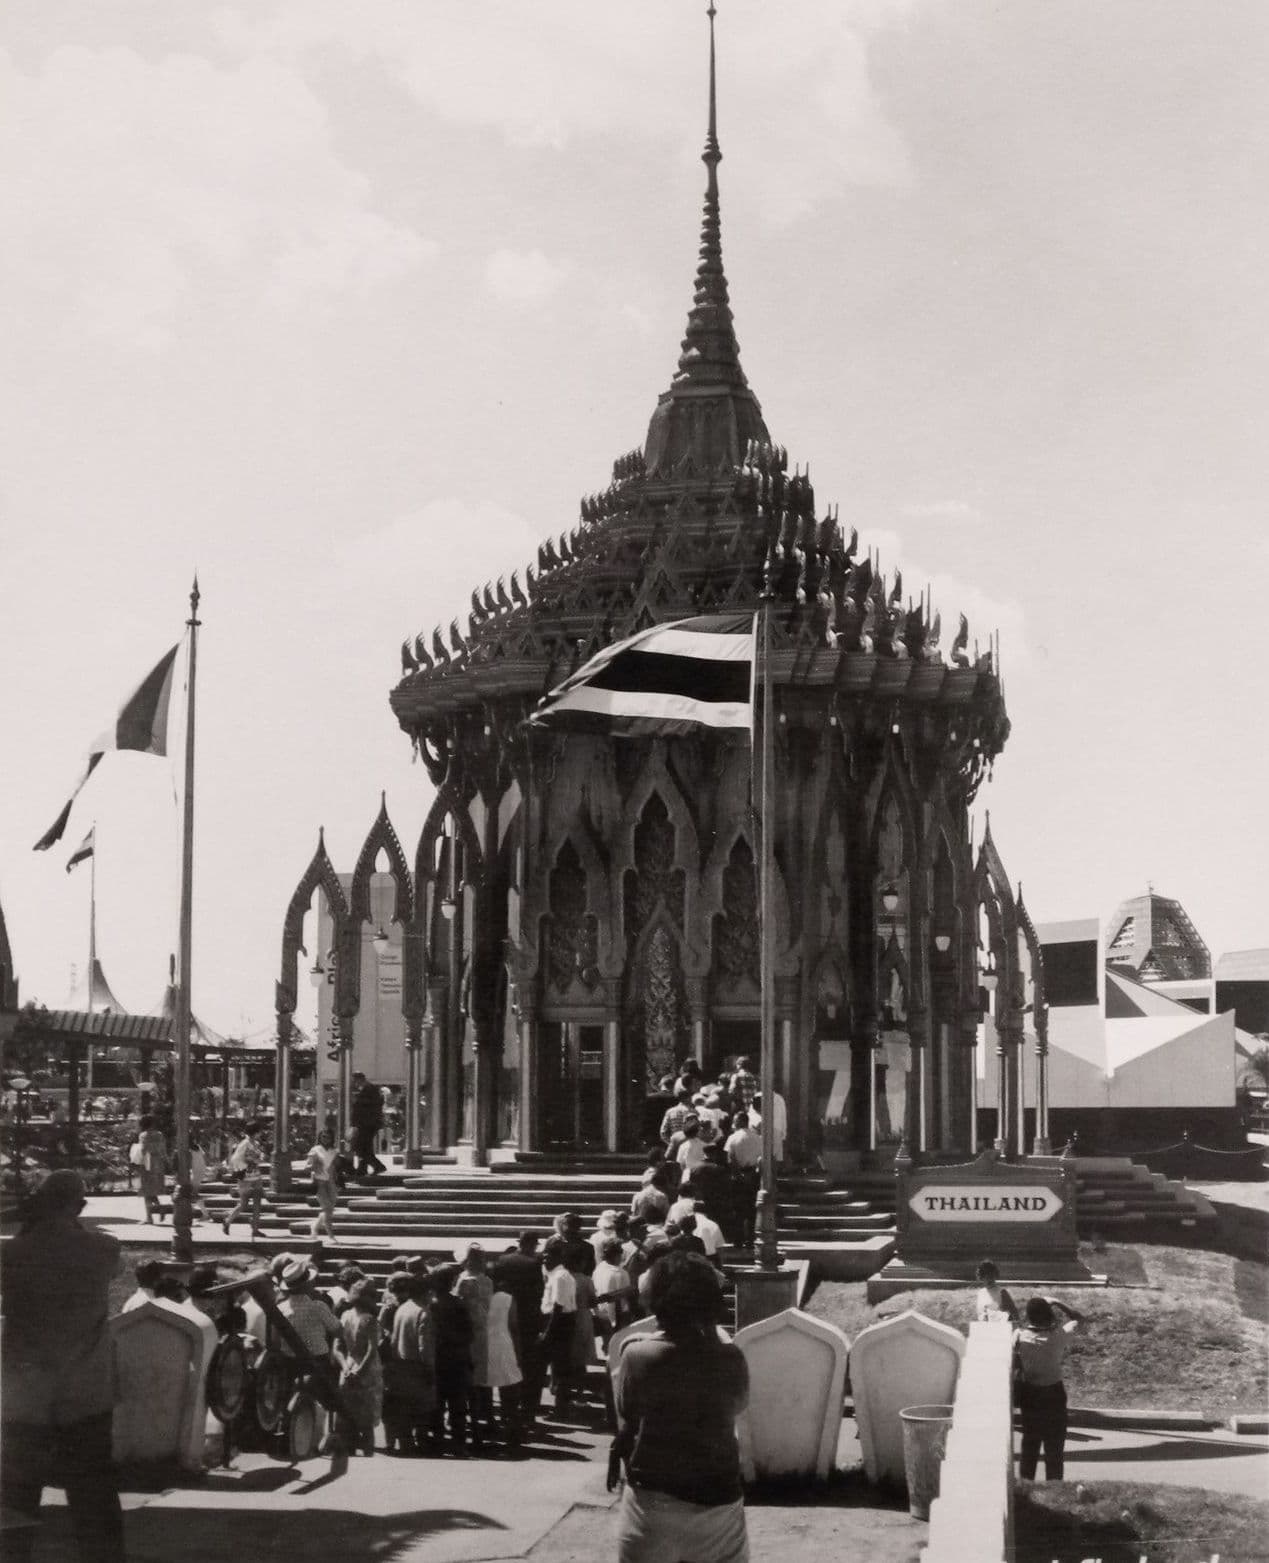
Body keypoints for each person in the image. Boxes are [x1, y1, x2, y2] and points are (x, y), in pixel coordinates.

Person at [0, 1170, 126, 1563]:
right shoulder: (103, 1249)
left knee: (17, 1495)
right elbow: (115, 1268)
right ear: (80, 1206)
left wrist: (28, 1225)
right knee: (93, 1495)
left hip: (25, 1397)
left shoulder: (11, 1252)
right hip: (85, 1394)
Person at [610, 1250, 749, 1563]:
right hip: (718, 1500)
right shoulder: (731, 1359)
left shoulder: (637, 1356)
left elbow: (628, 1412)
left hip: (653, 1502)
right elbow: (738, 1405)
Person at [1013, 1295, 1088, 1481]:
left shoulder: (1019, 1337)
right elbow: (1079, 1319)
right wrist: (1058, 1302)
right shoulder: (1057, 1338)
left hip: (1030, 1395)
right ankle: (1055, 1487)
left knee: (1029, 1445)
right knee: (1054, 1449)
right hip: (1053, 1394)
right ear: (1048, 1315)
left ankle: (1026, 1484)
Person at [494, 1233, 545, 1426]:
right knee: (529, 1367)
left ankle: (507, 1409)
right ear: (531, 1245)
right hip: (528, 1320)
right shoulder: (533, 1264)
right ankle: (526, 1411)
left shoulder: (503, 1260)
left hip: (505, 1316)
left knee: (506, 1363)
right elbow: (538, 1293)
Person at [334, 1279, 384, 1456]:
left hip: (347, 1365)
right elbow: (372, 1349)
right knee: (367, 1418)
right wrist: (360, 1371)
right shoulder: (370, 1320)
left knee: (349, 1414)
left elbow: (337, 1348)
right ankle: (368, 1452)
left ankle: (350, 1451)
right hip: (367, 1370)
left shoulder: (345, 1316)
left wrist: (346, 1369)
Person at [430, 1263, 475, 1454]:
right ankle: (459, 1442)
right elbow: (469, 1333)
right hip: (456, 1359)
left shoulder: (430, 1304)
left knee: (437, 1403)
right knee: (457, 1404)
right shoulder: (458, 1304)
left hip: (437, 1359)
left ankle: (438, 1441)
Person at [456, 1244, 495, 1449]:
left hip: (468, 1332)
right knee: (481, 1378)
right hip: (482, 1331)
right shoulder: (487, 1280)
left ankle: (474, 1418)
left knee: (468, 1378)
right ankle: (485, 1417)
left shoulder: (466, 1280)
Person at [539, 1238, 579, 1416]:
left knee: (560, 1365)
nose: (545, 1260)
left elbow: (558, 1306)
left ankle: (561, 1407)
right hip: (559, 1320)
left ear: (558, 1258)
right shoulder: (555, 1275)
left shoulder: (560, 1277)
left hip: (560, 1322)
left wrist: (548, 1332)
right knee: (558, 1366)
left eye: (548, 1257)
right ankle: (560, 1404)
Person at [484, 1270, 524, 1447]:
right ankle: (510, 1424)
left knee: (483, 1387)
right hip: (502, 1343)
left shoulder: (477, 1296)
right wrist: (519, 1351)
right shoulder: (507, 1298)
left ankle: (489, 1422)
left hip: (482, 1344)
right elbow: (513, 1326)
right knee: (508, 1387)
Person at [221, 1122, 266, 1238]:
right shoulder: (245, 1144)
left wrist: (259, 1158)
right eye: (259, 1131)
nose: (260, 1133)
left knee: (257, 1203)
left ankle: (255, 1229)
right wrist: (252, 1161)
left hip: (256, 1176)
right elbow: (239, 1159)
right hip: (246, 1177)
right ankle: (228, 1220)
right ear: (255, 1132)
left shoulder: (255, 1144)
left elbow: (258, 1157)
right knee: (243, 1203)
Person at [724, 1110, 761, 1247]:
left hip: (738, 1176)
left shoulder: (732, 1138)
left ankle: (738, 1240)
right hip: (753, 1175)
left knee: (738, 1210)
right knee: (752, 1209)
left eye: (735, 1120)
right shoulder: (758, 1138)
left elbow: (730, 1159)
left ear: (739, 1121)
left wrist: (737, 1174)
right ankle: (750, 1239)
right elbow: (761, 1159)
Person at [350, 1071, 386, 1179]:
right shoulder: (368, 1090)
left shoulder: (370, 1089)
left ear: (359, 1079)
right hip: (367, 1124)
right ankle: (362, 1169)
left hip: (368, 1124)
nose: (354, 1083)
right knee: (365, 1147)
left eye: (355, 1080)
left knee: (360, 1146)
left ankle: (377, 1166)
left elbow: (368, 1106)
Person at [305, 1127, 341, 1238]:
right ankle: (331, 1236)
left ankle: (315, 1227)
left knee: (329, 1210)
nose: (325, 1139)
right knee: (327, 1209)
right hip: (319, 1182)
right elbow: (307, 1167)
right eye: (323, 1136)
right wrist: (314, 1164)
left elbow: (337, 1168)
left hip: (331, 1183)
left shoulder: (334, 1151)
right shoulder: (315, 1150)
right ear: (320, 1137)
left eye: (328, 1137)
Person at [135, 1113, 168, 1224]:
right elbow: (163, 1150)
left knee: (146, 1190)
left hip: (147, 1163)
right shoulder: (160, 1134)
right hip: (158, 1164)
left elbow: (143, 1150)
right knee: (152, 1190)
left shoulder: (143, 1135)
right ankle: (158, 1208)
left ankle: (150, 1216)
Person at [674, 1115, 708, 1185]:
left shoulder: (683, 1146)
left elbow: (681, 1164)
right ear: (697, 1132)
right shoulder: (705, 1145)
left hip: (687, 1175)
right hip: (701, 1174)